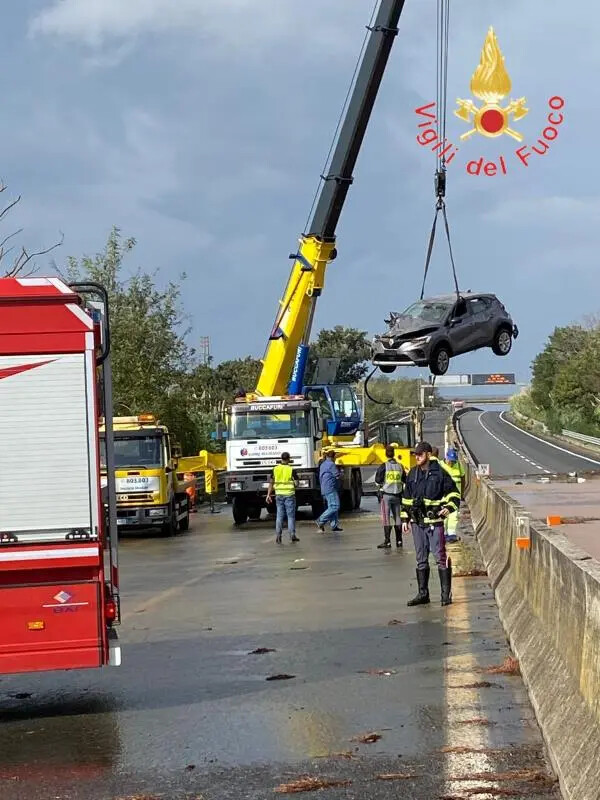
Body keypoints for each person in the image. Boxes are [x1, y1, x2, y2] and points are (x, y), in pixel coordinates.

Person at [402, 441, 460, 607]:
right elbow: (406, 498)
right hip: (417, 523)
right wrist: (405, 519)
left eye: (420, 454)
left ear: (428, 454)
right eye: (416, 454)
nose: (417, 457)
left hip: (435, 523)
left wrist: (448, 508)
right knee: (421, 559)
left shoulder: (440, 473)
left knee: (440, 558)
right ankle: (423, 594)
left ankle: (445, 595)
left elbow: (454, 494)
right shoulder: (412, 474)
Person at [374, 445, 406, 549]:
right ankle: (399, 540)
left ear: (385, 454)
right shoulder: (400, 466)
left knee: (386, 518)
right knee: (397, 517)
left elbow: (378, 480)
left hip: (386, 495)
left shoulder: (384, 466)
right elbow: (404, 479)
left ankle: (387, 541)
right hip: (397, 495)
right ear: (394, 453)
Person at [266, 452, 300, 544]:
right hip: (289, 495)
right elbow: (296, 483)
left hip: (279, 495)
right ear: (289, 459)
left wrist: (268, 494)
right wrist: (294, 485)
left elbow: (271, 483)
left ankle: (278, 536)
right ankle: (292, 535)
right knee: (290, 516)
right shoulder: (291, 469)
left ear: (281, 458)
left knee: (279, 516)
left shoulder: (275, 469)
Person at [315, 450, 343, 533]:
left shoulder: (323, 464)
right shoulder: (331, 465)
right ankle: (320, 520)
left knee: (331, 506)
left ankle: (334, 525)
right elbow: (337, 475)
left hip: (324, 488)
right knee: (335, 506)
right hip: (330, 488)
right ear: (333, 457)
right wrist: (342, 472)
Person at [443, 448, 465, 543]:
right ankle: (443, 534)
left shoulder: (458, 466)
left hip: (455, 496)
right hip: (443, 496)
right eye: (450, 461)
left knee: (454, 515)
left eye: (453, 461)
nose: (451, 463)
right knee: (443, 515)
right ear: (446, 458)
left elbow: (463, 478)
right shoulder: (441, 466)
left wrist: (462, 493)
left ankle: (451, 534)